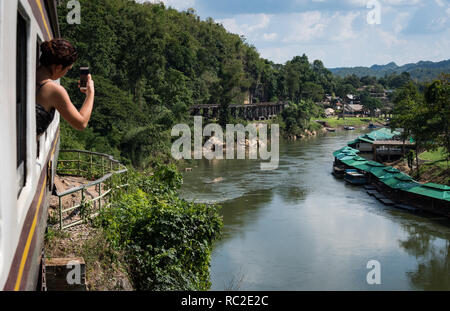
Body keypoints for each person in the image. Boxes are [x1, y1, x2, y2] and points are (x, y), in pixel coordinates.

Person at [36, 39, 95, 136]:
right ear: (58, 67)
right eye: (67, 69)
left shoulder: (27, 73)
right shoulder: (54, 90)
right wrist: (90, 94)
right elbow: (81, 123)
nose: (65, 73)